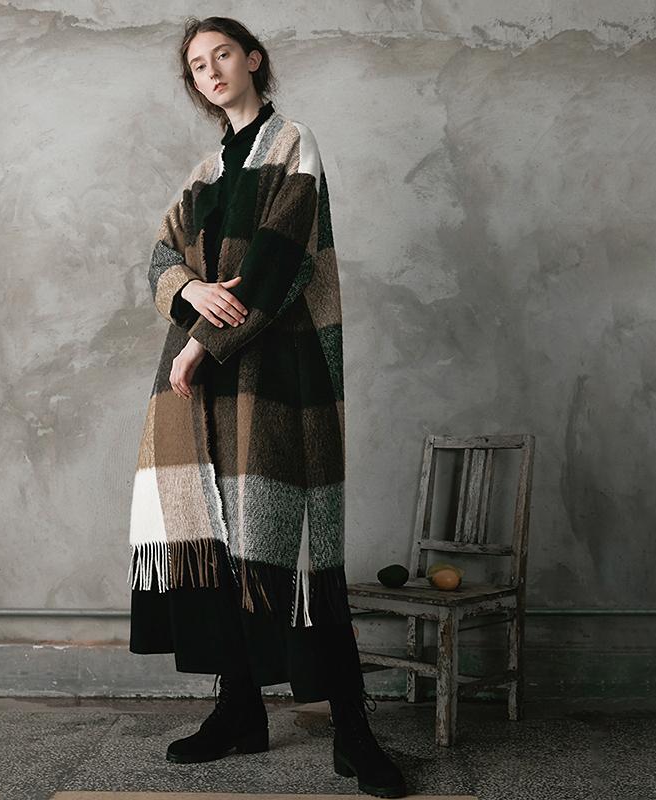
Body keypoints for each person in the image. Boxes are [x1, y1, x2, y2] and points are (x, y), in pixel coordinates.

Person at [127, 15, 407, 799]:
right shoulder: (204, 172)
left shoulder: (293, 145)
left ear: (253, 59)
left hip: (277, 374)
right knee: (220, 552)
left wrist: (198, 345)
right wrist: (190, 290)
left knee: (299, 550)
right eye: (197, 64)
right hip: (201, 393)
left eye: (223, 54)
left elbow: (281, 263)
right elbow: (159, 257)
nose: (212, 70)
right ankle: (239, 712)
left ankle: (353, 733)